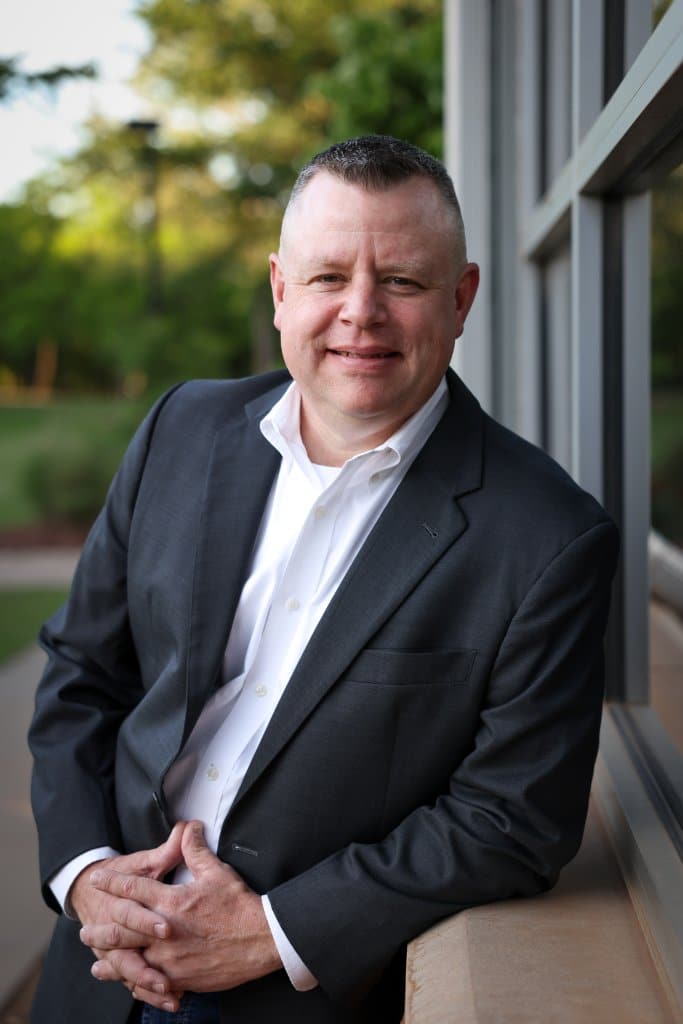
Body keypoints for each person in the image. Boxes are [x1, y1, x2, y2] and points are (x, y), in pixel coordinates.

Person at [29, 135, 619, 1024]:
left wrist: (271, 930)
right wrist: (84, 878)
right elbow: (81, 673)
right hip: (101, 964)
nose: (361, 313)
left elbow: (513, 818)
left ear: (461, 300)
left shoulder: (547, 537)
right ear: (278, 290)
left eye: (404, 283)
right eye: (326, 278)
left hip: (298, 993)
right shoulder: (179, 430)